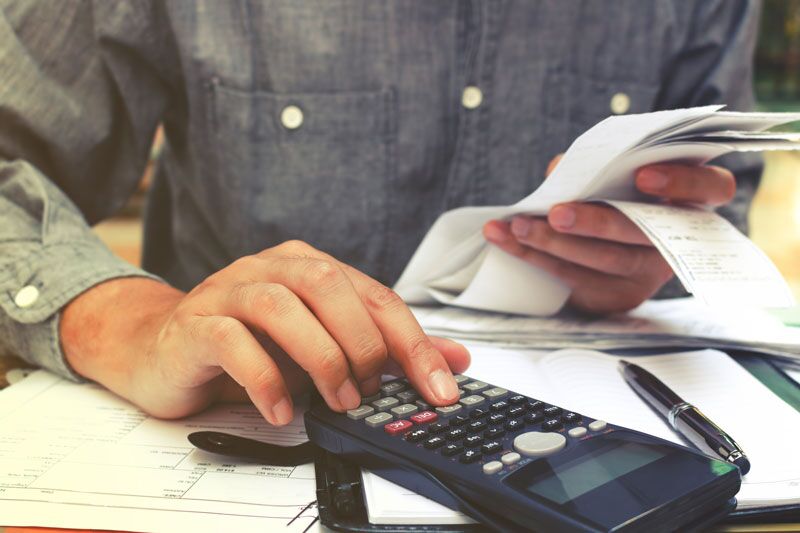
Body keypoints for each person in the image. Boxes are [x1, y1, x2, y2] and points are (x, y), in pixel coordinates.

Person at [0, 0, 761, 425]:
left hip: (591, 449)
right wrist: (136, 323)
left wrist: (655, 257)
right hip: (241, 435)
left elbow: (724, 202)